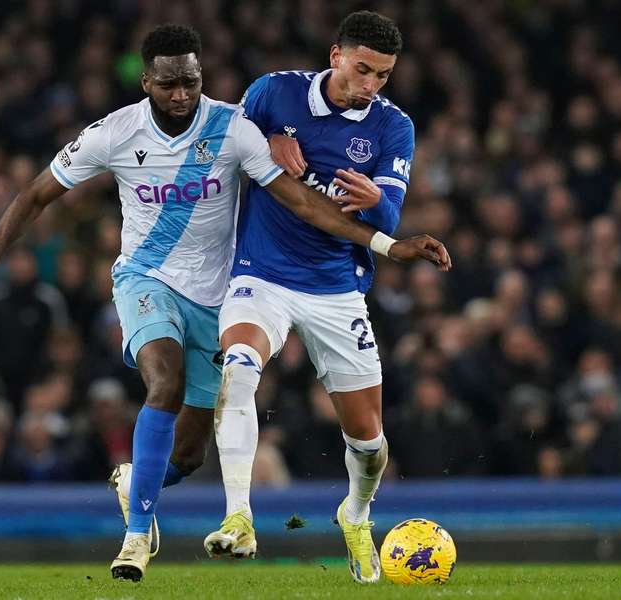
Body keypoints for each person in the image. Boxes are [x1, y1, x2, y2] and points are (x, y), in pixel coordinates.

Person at [0, 24, 450, 583]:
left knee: (203, 453)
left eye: (191, 81)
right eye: (168, 83)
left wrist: (387, 239)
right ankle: (172, 533)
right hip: (177, 279)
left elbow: (304, 201)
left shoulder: (239, 127)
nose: (181, 94)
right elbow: (34, 194)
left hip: (245, 288)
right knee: (184, 379)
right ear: (146, 81)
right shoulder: (117, 132)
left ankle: (147, 485)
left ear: (203, 75)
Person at [204, 12, 438, 584]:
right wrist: (266, 140)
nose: (370, 85)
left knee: (370, 442)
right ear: (335, 55)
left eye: (383, 75)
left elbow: (389, 215)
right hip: (262, 274)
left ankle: (355, 512)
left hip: (337, 289)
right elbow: (222, 150)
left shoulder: (392, 127)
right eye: (362, 69)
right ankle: (238, 516)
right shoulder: (273, 93)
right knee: (237, 368)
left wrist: (373, 199)